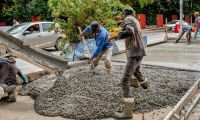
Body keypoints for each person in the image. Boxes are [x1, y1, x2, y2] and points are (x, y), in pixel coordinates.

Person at [107, 8, 149, 119]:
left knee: (125, 80)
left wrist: (113, 36)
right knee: (136, 71)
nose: (121, 15)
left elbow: (129, 32)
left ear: (125, 14)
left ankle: (127, 113)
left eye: (122, 14)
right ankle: (145, 85)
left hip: (134, 52)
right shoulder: (135, 20)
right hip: (139, 51)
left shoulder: (128, 19)